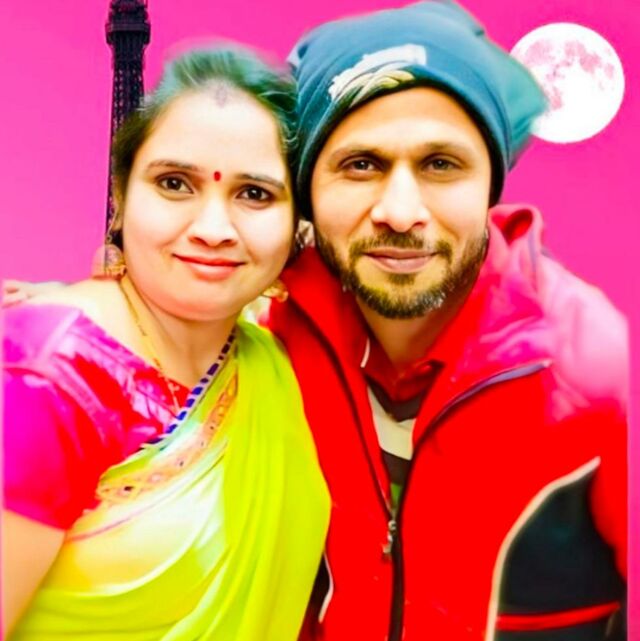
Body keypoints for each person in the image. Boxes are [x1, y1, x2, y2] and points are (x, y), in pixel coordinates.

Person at [267, 2, 628, 640]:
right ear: (307, 193)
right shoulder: (265, 338)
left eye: (440, 164)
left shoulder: (599, 369)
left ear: (491, 185)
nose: (401, 212)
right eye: (361, 164)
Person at [2, 46, 330, 640]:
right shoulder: (45, 378)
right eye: (174, 183)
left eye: (255, 194)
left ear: (297, 224)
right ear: (121, 198)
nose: (212, 230)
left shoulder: (279, 353)